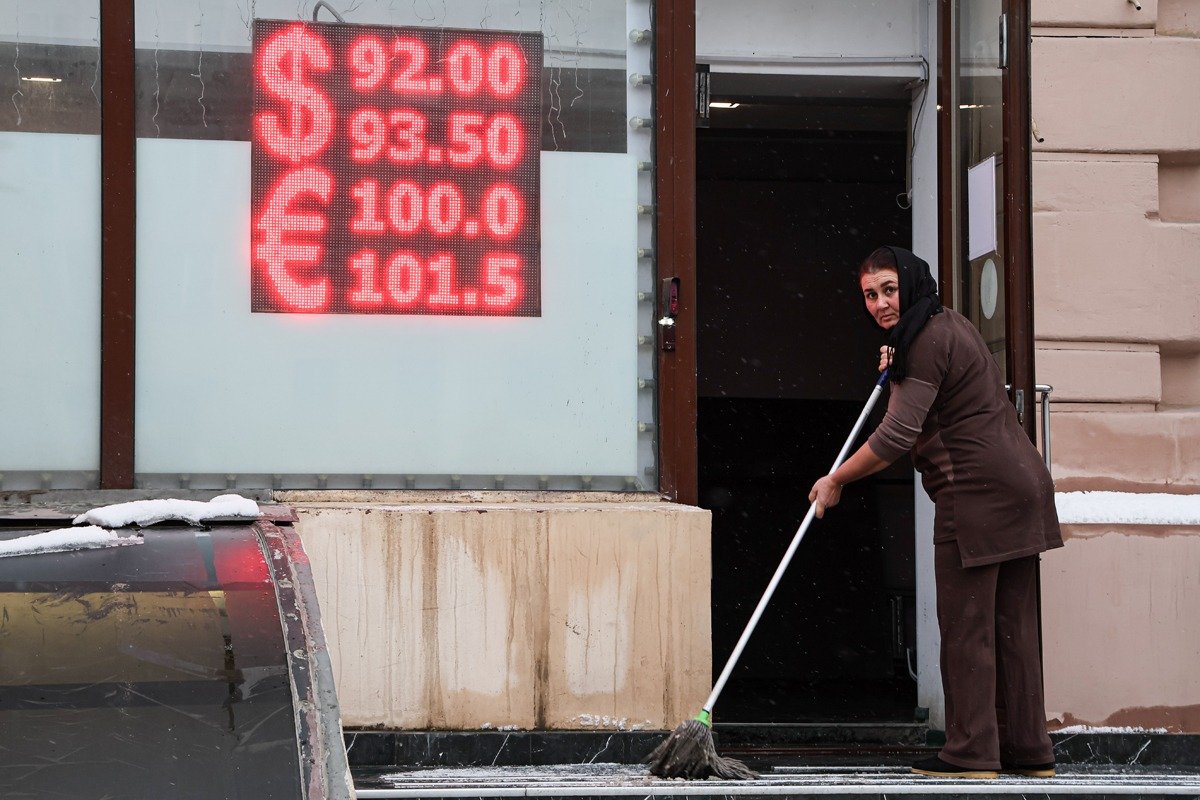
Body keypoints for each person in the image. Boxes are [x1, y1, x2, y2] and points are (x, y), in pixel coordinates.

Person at [807, 245, 1063, 780]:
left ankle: (970, 754)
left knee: (968, 627)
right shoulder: (949, 325)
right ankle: (1028, 750)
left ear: (911, 283)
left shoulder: (922, 341)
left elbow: (898, 434)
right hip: (1023, 484)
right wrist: (897, 367)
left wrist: (836, 480)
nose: (879, 303)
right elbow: (934, 398)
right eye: (870, 295)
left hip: (977, 493)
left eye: (888, 289)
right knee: (1012, 627)